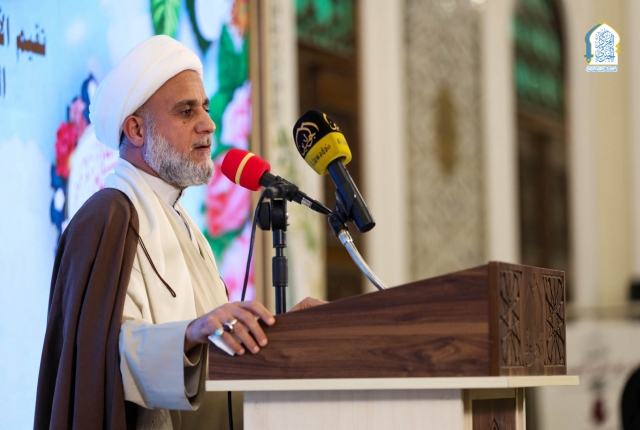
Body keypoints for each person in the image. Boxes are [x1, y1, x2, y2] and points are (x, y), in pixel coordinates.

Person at [34, 35, 323, 430]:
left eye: (205, 107)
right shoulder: (107, 217)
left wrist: (287, 332)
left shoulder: (184, 223)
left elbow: (216, 353)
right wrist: (191, 332)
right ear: (136, 129)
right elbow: (105, 361)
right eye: (186, 111)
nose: (208, 124)